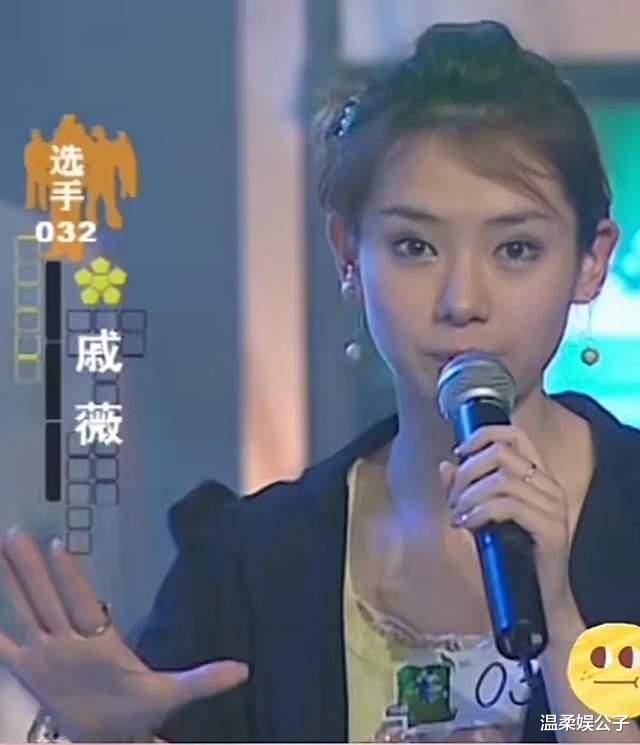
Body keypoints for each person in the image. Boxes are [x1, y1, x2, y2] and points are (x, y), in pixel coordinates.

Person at [1, 18, 640, 744]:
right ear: (348, 254)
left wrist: (559, 621)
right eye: (414, 245)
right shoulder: (251, 563)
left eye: (516, 249)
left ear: (591, 261)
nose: (463, 300)